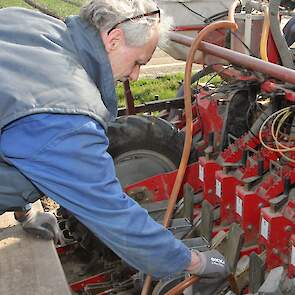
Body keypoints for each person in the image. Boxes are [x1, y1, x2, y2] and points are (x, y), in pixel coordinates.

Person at [0, 0, 229, 281]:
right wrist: (194, 262)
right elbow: (110, 212)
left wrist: (24, 212)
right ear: (114, 38)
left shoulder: (27, 22)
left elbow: (13, 117)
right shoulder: (67, 113)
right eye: (137, 63)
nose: (134, 75)